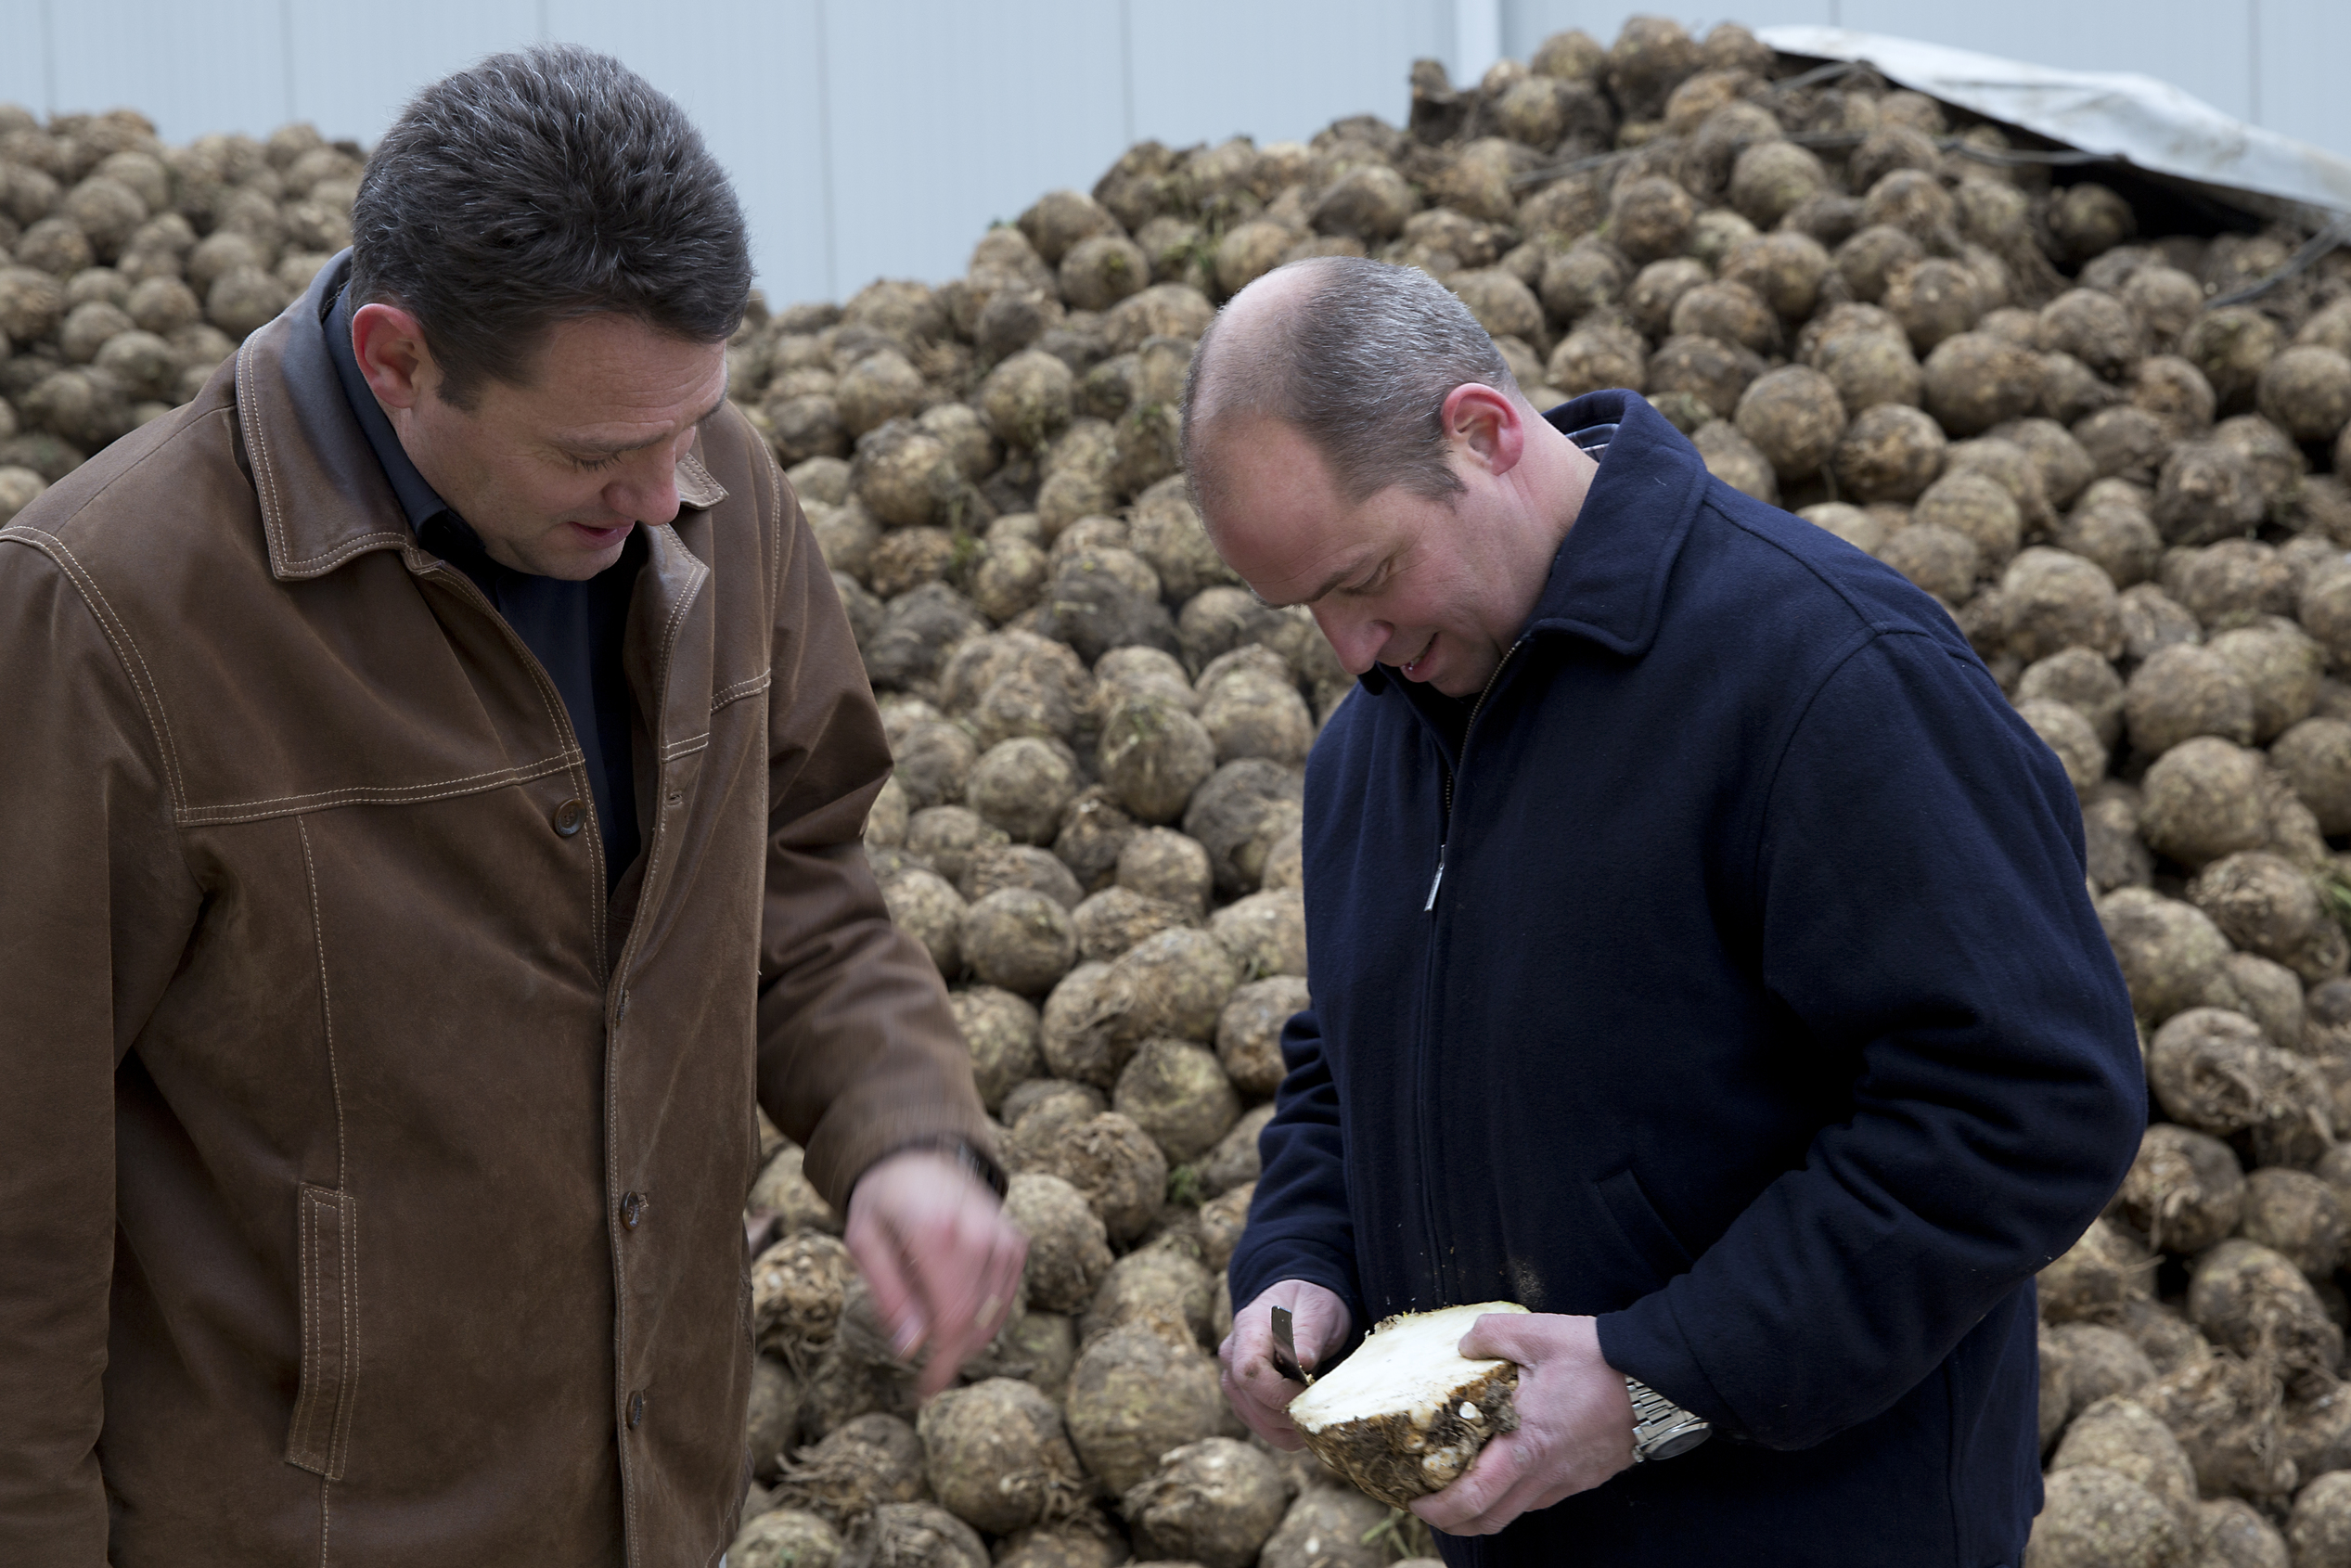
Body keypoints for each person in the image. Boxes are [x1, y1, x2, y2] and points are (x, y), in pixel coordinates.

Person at [0, 46, 1021, 1567]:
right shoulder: (109, 610)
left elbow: (798, 867)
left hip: (651, 1505)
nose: (671, 495)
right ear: (398, 357)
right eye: (599, 453)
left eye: (695, 423)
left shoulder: (716, 496)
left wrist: (901, 1131)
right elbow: (21, 1176)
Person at [1185, 256, 2144, 1563]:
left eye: (1366, 577)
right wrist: (1299, 1258)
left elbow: (2026, 1104)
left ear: (1483, 432)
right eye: (1307, 611)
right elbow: (1347, 1062)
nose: (1351, 652)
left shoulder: (1824, 672)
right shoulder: (1379, 742)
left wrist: (1653, 1379)